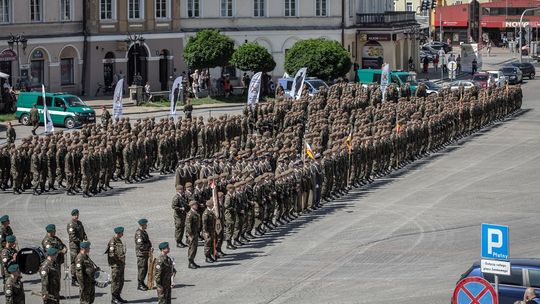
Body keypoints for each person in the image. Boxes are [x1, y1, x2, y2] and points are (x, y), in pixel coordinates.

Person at [67, 209, 88, 286]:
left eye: (77, 215)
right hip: (74, 246)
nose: (76, 216)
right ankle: (74, 278)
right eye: (75, 215)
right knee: (74, 262)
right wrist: (81, 242)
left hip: (80, 245)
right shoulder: (71, 224)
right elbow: (72, 237)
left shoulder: (79, 223)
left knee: (81, 260)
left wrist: (85, 238)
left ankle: (80, 277)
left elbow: (83, 232)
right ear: (72, 215)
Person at [107, 226, 127, 304]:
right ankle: (114, 298)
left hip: (121, 265)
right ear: (119, 233)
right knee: (115, 281)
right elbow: (111, 254)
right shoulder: (113, 242)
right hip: (116, 265)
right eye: (122, 233)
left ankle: (118, 296)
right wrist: (119, 259)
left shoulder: (119, 240)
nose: (123, 234)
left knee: (121, 281)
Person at [135, 218, 152, 291]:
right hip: (141, 254)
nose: (146, 225)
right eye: (145, 224)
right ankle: (140, 284)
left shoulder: (144, 232)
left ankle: (142, 282)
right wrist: (148, 248)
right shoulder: (139, 233)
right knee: (142, 269)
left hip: (145, 253)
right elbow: (140, 245)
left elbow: (147, 241)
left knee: (145, 269)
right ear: (142, 225)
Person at [185, 200, 201, 269]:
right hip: (192, 234)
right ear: (191, 206)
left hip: (195, 232)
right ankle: (190, 262)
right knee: (192, 248)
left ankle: (192, 261)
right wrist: (190, 235)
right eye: (195, 205)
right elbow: (188, 225)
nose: (196, 206)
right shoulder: (190, 214)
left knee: (194, 248)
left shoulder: (195, 212)